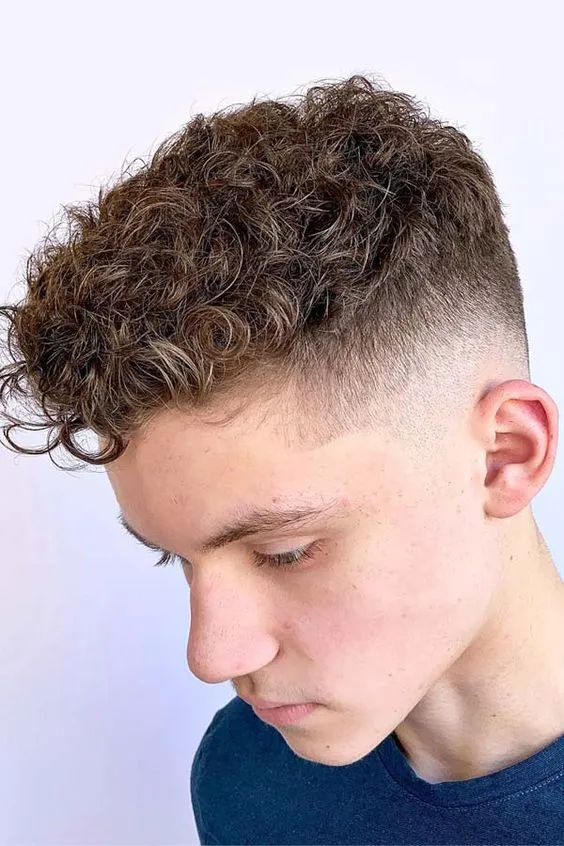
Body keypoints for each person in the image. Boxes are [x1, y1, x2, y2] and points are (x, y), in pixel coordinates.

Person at [1, 73, 563, 845]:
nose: (213, 657)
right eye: (178, 561)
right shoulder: (248, 776)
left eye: (285, 552)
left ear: (506, 455)